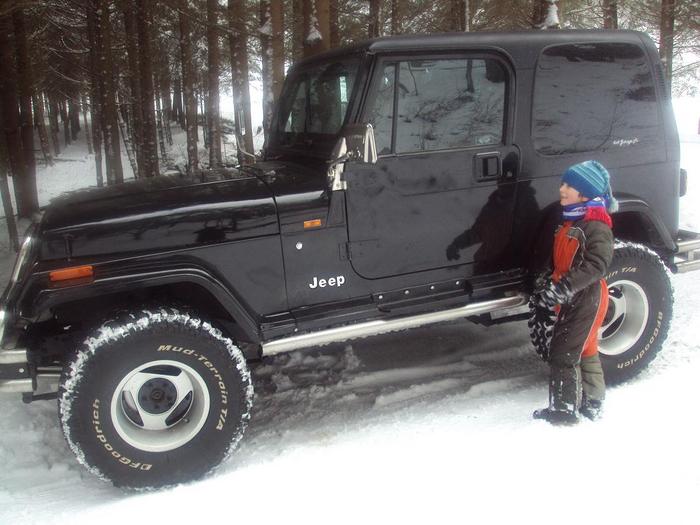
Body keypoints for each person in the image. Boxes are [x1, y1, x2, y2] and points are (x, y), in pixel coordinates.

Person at [531, 160, 617, 425]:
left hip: (587, 297)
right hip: (571, 296)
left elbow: (597, 265)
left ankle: (563, 411)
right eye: (563, 184)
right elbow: (559, 262)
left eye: (570, 186)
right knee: (587, 348)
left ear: (586, 194)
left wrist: (564, 287)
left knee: (563, 353)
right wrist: (546, 281)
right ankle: (593, 402)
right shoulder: (568, 223)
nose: (562, 190)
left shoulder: (596, 227)